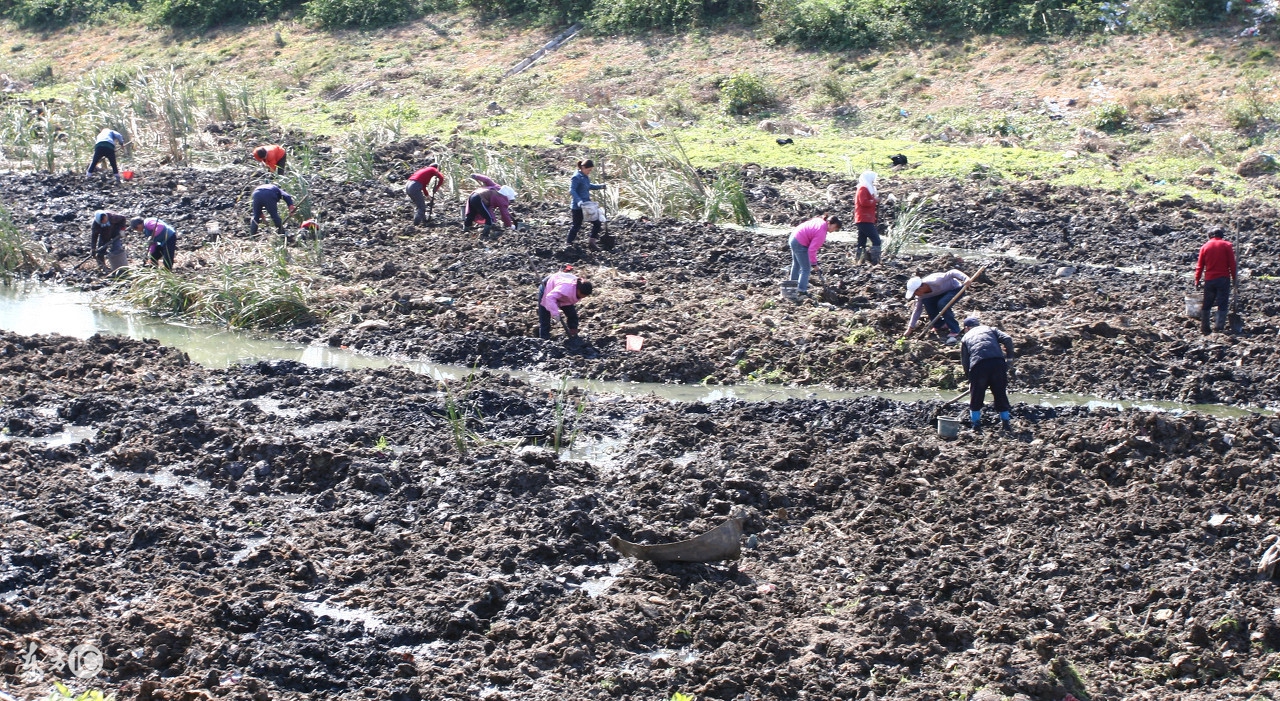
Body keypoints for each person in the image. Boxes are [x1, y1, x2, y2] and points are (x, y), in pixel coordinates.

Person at [959, 317, 1015, 431]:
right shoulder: (991, 329)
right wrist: (1009, 359)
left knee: (976, 396)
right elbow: (1008, 338)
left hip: (978, 366)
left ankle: (976, 425)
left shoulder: (965, 338)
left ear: (967, 328)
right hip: (997, 363)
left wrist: (970, 378)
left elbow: (965, 362)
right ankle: (1006, 423)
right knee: (1000, 393)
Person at [905, 269, 971, 345]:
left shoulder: (936, 281)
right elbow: (917, 310)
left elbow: (952, 272)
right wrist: (910, 328)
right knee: (927, 301)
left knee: (942, 303)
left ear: (920, 288)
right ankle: (940, 324)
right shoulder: (921, 296)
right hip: (940, 294)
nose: (915, 295)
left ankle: (955, 329)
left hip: (955, 289)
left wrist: (965, 278)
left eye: (915, 292)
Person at [1194, 227, 1238, 335]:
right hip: (1223, 279)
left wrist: (1197, 280)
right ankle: (1219, 327)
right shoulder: (1227, 245)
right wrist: (1234, 279)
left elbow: (1200, 266)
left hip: (1209, 279)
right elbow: (1232, 264)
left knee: (1207, 303)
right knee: (1222, 303)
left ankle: (1205, 328)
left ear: (1210, 236)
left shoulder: (1205, 247)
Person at [788, 214, 842, 295]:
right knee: (806, 268)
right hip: (800, 242)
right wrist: (814, 264)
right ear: (830, 223)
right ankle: (801, 290)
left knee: (796, 265)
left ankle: (791, 288)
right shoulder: (821, 233)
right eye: (834, 228)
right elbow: (811, 250)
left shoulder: (820, 220)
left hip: (793, 237)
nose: (833, 230)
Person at [538, 270, 593, 340]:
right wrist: (555, 313)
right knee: (545, 318)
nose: (583, 297)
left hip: (562, 293)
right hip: (548, 286)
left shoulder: (577, 289)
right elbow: (550, 297)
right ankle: (544, 340)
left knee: (572, 315)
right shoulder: (565, 288)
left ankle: (573, 334)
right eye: (583, 295)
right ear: (578, 290)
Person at [568, 159, 607, 249]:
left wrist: (601, 186)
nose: (589, 172)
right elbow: (572, 190)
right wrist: (579, 201)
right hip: (577, 207)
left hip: (587, 206)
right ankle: (568, 244)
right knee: (576, 226)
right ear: (583, 167)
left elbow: (589, 185)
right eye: (588, 170)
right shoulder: (576, 177)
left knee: (597, 223)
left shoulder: (585, 176)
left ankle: (591, 242)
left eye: (591, 170)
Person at [854, 171, 881, 264]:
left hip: (864, 219)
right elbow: (863, 202)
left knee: (861, 241)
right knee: (876, 240)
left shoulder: (866, 188)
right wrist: (875, 200)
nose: (874, 181)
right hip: (864, 219)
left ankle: (859, 260)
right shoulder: (863, 188)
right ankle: (875, 261)